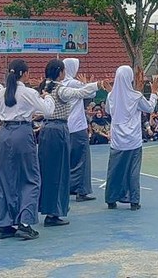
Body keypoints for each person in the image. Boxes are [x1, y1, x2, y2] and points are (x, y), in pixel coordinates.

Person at [0, 59, 55, 240]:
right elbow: (48, 111)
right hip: (22, 132)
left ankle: (3, 223)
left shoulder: (1, 93)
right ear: (24, 74)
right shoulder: (28, 92)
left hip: (4, 133)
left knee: (4, 178)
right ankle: (25, 222)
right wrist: (47, 96)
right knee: (30, 178)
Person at [38, 59, 103, 227]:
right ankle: (53, 212)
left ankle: (46, 207)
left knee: (48, 171)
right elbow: (81, 93)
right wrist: (97, 84)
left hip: (46, 129)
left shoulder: (44, 86)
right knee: (59, 171)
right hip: (58, 129)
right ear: (60, 72)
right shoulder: (61, 89)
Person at [104, 66, 158, 211]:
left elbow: (108, 111)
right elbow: (149, 108)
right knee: (133, 171)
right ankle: (133, 200)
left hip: (117, 140)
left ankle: (111, 199)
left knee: (114, 170)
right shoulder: (136, 96)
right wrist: (153, 93)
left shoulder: (111, 96)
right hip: (133, 140)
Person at [63, 58, 98, 202]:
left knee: (69, 159)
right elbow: (91, 94)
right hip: (77, 125)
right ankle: (81, 190)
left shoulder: (61, 84)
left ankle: (69, 187)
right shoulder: (73, 83)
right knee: (82, 159)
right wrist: (86, 83)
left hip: (65, 125)